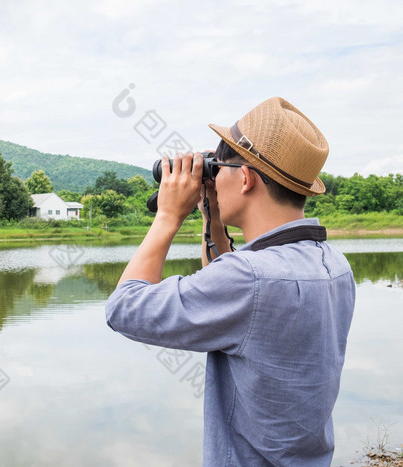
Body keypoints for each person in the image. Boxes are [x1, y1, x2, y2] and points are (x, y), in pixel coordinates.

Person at [104, 97, 355, 465]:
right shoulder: (334, 264)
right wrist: (212, 216)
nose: (213, 178)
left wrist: (168, 216)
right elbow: (232, 290)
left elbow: (124, 308)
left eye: (219, 169)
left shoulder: (249, 280)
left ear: (247, 178)